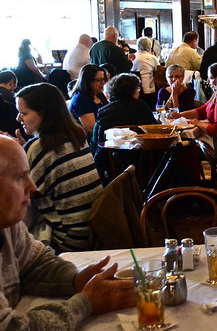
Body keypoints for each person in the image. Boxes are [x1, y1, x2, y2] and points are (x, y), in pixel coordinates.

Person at [0, 135, 135, 329]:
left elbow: (35, 264)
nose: (33, 187)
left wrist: (75, 279)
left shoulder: (8, 223)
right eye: (21, 177)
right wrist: (86, 302)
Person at [15, 83, 103, 252]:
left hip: (67, 239)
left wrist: (12, 153)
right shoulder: (76, 135)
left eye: (24, 113)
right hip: (94, 230)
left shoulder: (40, 148)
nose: (18, 119)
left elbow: (19, 195)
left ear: (44, 113)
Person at [169, 62, 217, 165]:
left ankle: (189, 179)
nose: (208, 81)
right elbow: (202, 110)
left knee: (185, 148)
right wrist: (180, 115)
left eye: (210, 78)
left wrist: (197, 123)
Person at [92, 73, 157, 150]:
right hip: (142, 155)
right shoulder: (141, 106)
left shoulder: (103, 111)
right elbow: (154, 128)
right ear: (132, 91)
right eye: (137, 89)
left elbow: (97, 140)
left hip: (111, 157)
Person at [69, 64, 109, 135]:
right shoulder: (80, 99)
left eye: (104, 79)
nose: (103, 82)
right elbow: (91, 129)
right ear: (87, 81)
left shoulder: (99, 94)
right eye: (99, 80)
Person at [131, 37, 160, 109]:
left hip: (135, 90)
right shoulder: (152, 58)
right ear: (149, 47)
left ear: (138, 46)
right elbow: (159, 71)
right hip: (150, 91)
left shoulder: (132, 57)